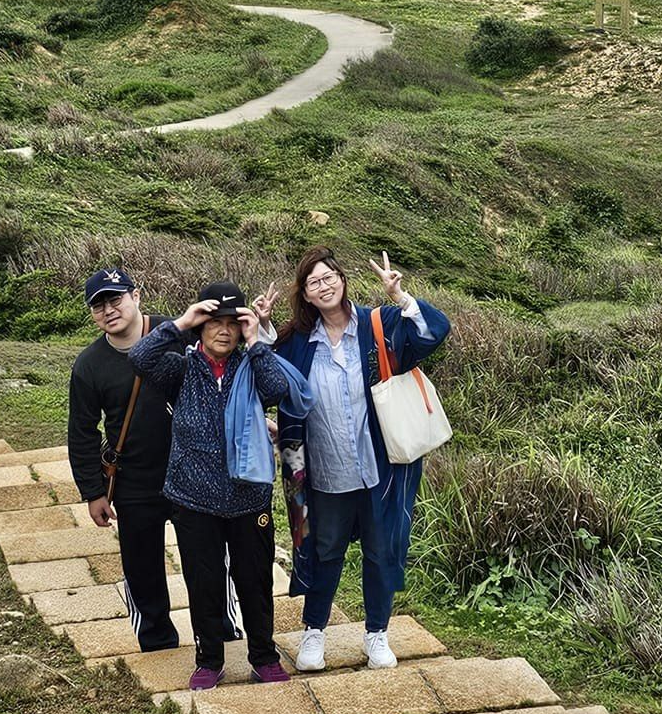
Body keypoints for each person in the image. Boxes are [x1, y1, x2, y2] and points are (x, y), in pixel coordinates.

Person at [265, 247, 450, 672]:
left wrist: (401, 298)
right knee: (322, 548)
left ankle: (376, 635)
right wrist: (261, 329)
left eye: (330, 276)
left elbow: (433, 332)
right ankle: (314, 632)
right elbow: (268, 378)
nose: (324, 285)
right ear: (306, 295)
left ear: (343, 280)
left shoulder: (378, 323)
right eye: (314, 281)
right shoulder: (295, 340)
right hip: (322, 470)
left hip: (380, 466)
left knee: (381, 549)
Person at [131, 280, 312, 689]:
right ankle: (209, 660)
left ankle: (263, 656)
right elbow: (140, 358)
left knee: (255, 581)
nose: (224, 330)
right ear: (201, 326)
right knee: (204, 583)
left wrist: (256, 341)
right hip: (193, 497)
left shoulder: (250, 366)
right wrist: (180, 323)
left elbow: (277, 389)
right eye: (214, 322)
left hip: (248, 497)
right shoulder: (181, 368)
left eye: (233, 322)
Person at [66, 268, 186, 652]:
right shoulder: (89, 365)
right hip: (133, 479)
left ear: (137, 295)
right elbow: (82, 431)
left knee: (208, 559)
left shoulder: (175, 334)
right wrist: (93, 491)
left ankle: (220, 629)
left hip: (192, 471)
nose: (108, 310)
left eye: (115, 298)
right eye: (98, 305)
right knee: (141, 566)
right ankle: (156, 639)